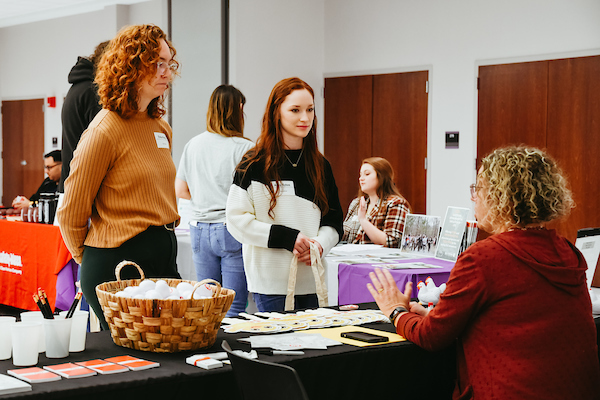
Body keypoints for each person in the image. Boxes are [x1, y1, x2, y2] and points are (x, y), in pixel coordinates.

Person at [367, 146, 600, 400]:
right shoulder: (567, 251)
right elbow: (515, 319)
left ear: (500, 197)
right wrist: (437, 315)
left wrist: (396, 311)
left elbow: (431, 336)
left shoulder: (484, 257)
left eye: (478, 189)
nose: (473, 198)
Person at [57, 24, 181, 330]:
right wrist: (87, 258)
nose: (167, 72)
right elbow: (71, 209)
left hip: (163, 258)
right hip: (118, 263)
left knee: (171, 358)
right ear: (132, 66)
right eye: (158, 64)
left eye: (169, 63)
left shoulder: (159, 127)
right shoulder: (104, 130)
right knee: (141, 363)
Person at [226, 77, 343, 312]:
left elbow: (333, 221)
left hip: (311, 279)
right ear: (276, 113)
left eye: (310, 110)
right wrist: (287, 238)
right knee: (280, 346)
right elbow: (236, 221)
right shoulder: (253, 164)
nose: (305, 118)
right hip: (270, 281)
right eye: (295, 110)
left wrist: (320, 245)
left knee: (315, 347)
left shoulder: (320, 165)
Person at [175, 85, 254, 317]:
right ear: (238, 110)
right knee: (234, 306)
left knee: (207, 304)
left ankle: (211, 350)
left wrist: (203, 196)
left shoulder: (193, 145)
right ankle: (232, 353)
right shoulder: (246, 148)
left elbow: (181, 189)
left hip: (199, 230)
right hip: (231, 230)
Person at [59, 40, 110, 192]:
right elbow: (102, 146)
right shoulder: (93, 91)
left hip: (72, 183)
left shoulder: (79, 87)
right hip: (82, 187)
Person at [342, 157, 410, 247]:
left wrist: (363, 220)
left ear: (381, 176)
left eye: (367, 174)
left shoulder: (396, 203)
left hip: (380, 259)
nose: (361, 179)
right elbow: (344, 236)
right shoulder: (357, 203)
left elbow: (393, 241)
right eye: (360, 175)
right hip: (350, 256)